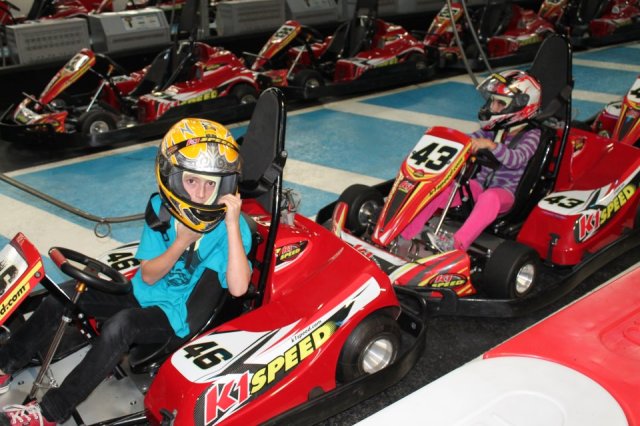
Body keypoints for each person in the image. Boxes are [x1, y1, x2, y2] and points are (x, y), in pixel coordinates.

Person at [0, 118, 252, 425]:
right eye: (191, 181)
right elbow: (148, 276)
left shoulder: (230, 230)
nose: (200, 193)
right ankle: (5, 363)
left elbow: (239, 288)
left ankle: (51, 412)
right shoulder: (162, 210)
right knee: (64, 294)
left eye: (210, 184)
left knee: (120, 327)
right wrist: (181, 242)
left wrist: (232, 224)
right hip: (142, 293)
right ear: (174, 178)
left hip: (174, 316)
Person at [401, 70, 542, 253]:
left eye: (500, 103)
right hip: (479, 186)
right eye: (493, 101)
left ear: (521, 106)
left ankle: (456, 244)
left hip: (505, 193)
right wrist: (445, 137)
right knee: (442, 188)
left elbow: (517, 159)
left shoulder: (531, 135)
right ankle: (405, 233)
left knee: (489, 198)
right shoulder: (492, 131)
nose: (493, 107)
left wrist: (492, 146)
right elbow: (467, 139)